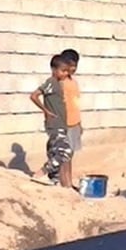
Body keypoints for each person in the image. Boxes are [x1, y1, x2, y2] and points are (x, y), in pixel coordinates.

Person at [29, 55, 75, 189]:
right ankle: (42, 172)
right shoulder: (51, 82)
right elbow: (34, 95)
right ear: (54, 69)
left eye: (67, 71)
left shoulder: (58, 84)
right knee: (65, 152)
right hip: (55, 125)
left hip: (60, 124)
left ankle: (53, 179)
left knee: (54, 151)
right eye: (63, 70)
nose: (66, 73)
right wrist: (46, 111)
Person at [59, 49, 84, 159]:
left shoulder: (74, 83)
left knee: (70, 153)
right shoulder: (59, 83)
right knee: (62, 155)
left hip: (74, 123)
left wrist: (79, 123)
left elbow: (76, 104)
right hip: (64, 124)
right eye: (70, 65)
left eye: (75, 65)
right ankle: (60, 176)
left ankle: (66, 176)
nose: (73, 68)